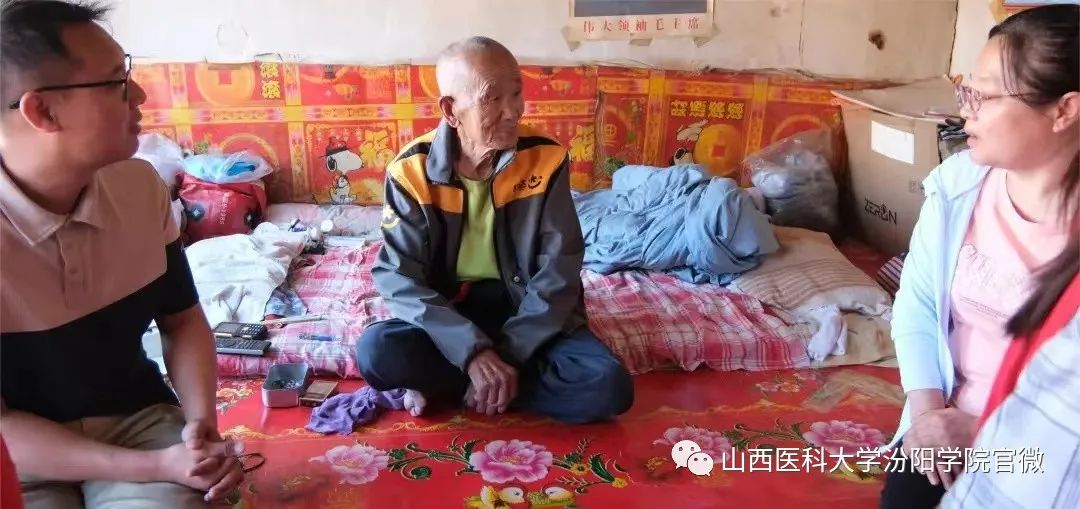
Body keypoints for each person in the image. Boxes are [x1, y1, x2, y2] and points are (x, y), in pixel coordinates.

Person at [0, 1, 243, 507]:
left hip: (136, 422)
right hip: (20, 456)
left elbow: (182, 320)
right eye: (116, 81)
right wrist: (156, 467)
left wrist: (200, 429)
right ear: (42, 111)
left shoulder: (138, 189)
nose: (140, 94)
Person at [355, 36, 634, 423]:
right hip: (449, 312)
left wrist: (506, 355)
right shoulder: (410, 172)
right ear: (451, 110)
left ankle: (463, 385)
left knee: (609, 386)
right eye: (493, 98)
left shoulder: (546, 159)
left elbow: (559, 270)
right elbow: (398, 276)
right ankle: (493, 384)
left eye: (517, 93)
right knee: (377, 352)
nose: (513, 110)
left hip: (526, 308)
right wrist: (470, 351)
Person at [881, 4, 1078, 508]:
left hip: (1047, 449)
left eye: (983, 97)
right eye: (964, 91)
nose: (965, 111)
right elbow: (918, 302)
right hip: (941, 422)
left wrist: (988, 429)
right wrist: (927, 416)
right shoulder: (957, 186)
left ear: (1064, 110)